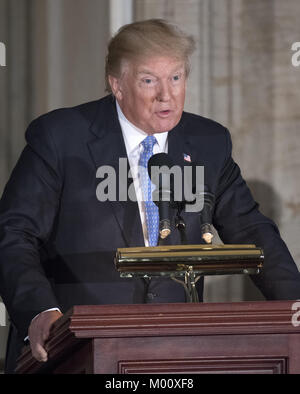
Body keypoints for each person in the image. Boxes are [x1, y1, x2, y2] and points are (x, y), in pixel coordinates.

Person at [0, 19, 300, 374]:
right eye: (148, 80)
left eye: (175, 77)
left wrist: (294, 302)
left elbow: (251, 230)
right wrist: (39, 311)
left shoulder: (207, 142)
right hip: (77, 349)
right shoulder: (61, 137)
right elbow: (13, 234)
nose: (166, 94)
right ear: (118, 85)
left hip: (177, 352)